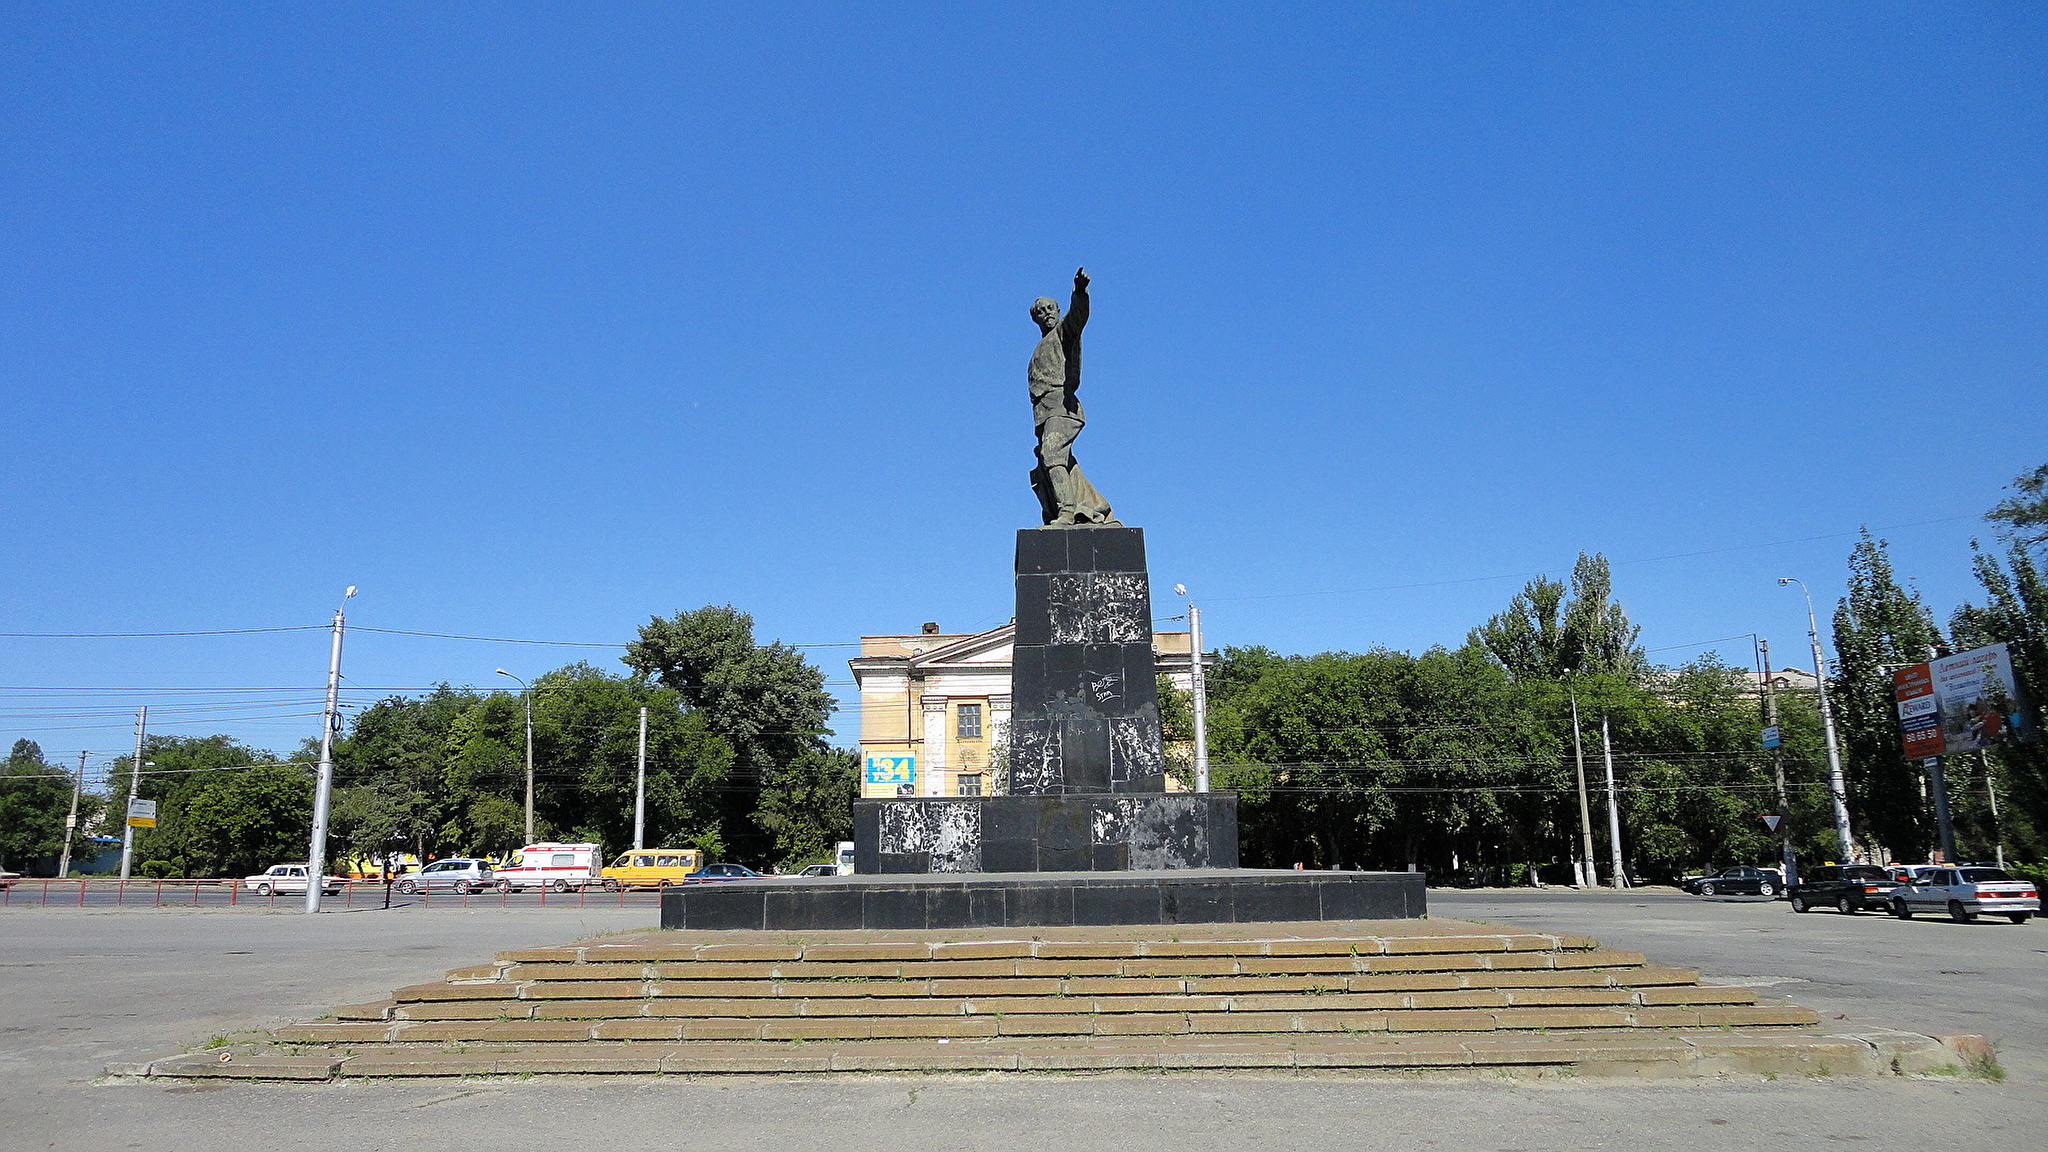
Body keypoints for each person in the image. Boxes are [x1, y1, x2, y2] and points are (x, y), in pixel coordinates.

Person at [1027, 267, 1118, 525]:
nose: (1045, 314)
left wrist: (1079, 292)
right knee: (1060, 465)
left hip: (1062, 408)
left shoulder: (1062, 334)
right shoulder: (1040, 348)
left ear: (1057, 310)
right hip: (1045, 414)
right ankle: (1095, 508)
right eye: (1039, 312)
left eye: (1049, 308)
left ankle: (1066, 512)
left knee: (1052, 454)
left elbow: (1077, 318)